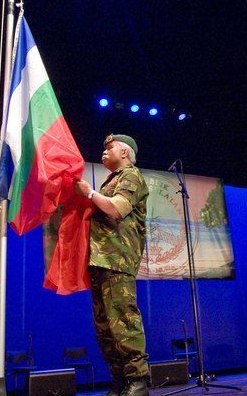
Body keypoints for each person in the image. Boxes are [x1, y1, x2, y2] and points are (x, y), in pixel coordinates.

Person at [75, 134, 150, 396]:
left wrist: (91, 193)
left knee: (122, 319)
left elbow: (117, 208)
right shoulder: (113, 179)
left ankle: (137, 380)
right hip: (101, 259)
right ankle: (120, 379)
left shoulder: (130, 175)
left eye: (110, 148)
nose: (104, 152)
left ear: (125, 153)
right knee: (105, 326)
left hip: (117, 258)